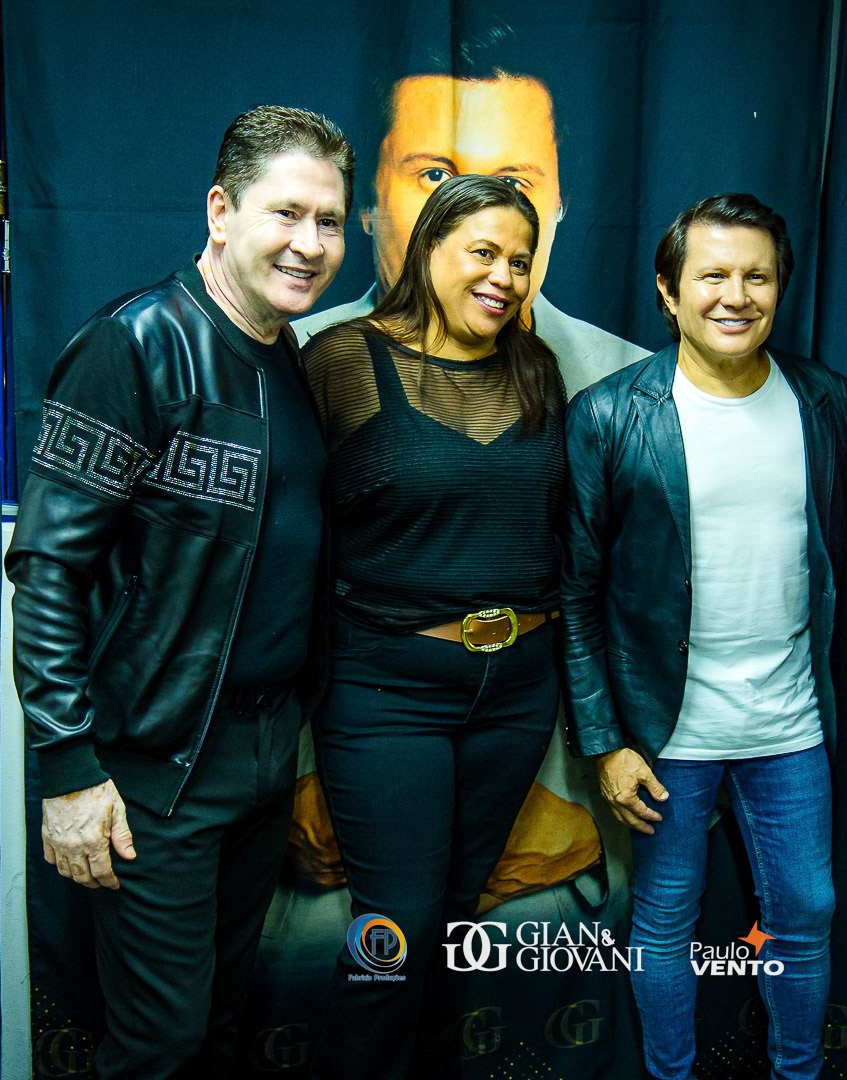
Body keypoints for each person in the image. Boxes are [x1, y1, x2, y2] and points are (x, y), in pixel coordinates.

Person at [4, 105, 351, 1078]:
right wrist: (69, 771)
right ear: (221, 211)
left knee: (224, 1024)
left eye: (330, 221)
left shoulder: (288, 357)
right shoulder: (136, 344)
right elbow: (46, 568)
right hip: (156, 768)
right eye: (287, 213)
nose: (310, 242)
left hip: (263, 755)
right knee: (159, 1045)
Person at [560, 193, 847, 1080]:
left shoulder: (825, 402)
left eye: (756, 276)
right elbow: (575, 592)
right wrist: (603, 743)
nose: (736, 295)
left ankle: (797, 1074)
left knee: (806, 913)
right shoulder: (610, 415)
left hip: (790, 728)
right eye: (713, 274)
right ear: (669, 290)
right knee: (664, 921)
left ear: (780, 288)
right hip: (664, 737)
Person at [300, 174, 567, 1080]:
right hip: (387, 689)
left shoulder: (536, 371)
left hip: (517, 690)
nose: (504, 277)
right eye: (483, 252)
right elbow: (289, 523)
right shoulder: (344, 359)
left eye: (520, 261)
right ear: (429, 250)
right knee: (397, 928)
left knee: (456, 925)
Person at [292, 41, 647, 389]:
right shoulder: (293, 362)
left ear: (560, 202)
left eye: (511, 182)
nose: (476, 221)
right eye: (435, 175)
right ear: (368, 204)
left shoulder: (631, 387)